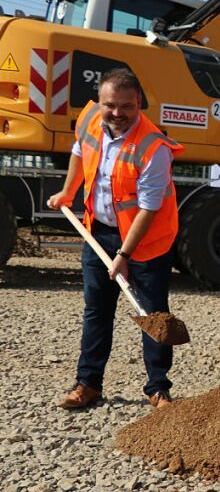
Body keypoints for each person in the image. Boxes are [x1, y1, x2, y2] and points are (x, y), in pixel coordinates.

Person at [48, 68, 183, 409]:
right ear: (101, 101)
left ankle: (158, 388)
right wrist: (67, 193)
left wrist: (124, 254)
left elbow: (148, 209)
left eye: (126, 106)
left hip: (147, 240)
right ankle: (88, 384)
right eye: (111, 105)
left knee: (152, 313)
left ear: (139, 103)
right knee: (97, 310)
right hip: (99, 232)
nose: (117, 114)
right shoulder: (92, 119)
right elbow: (80, 151)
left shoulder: (153, 147)